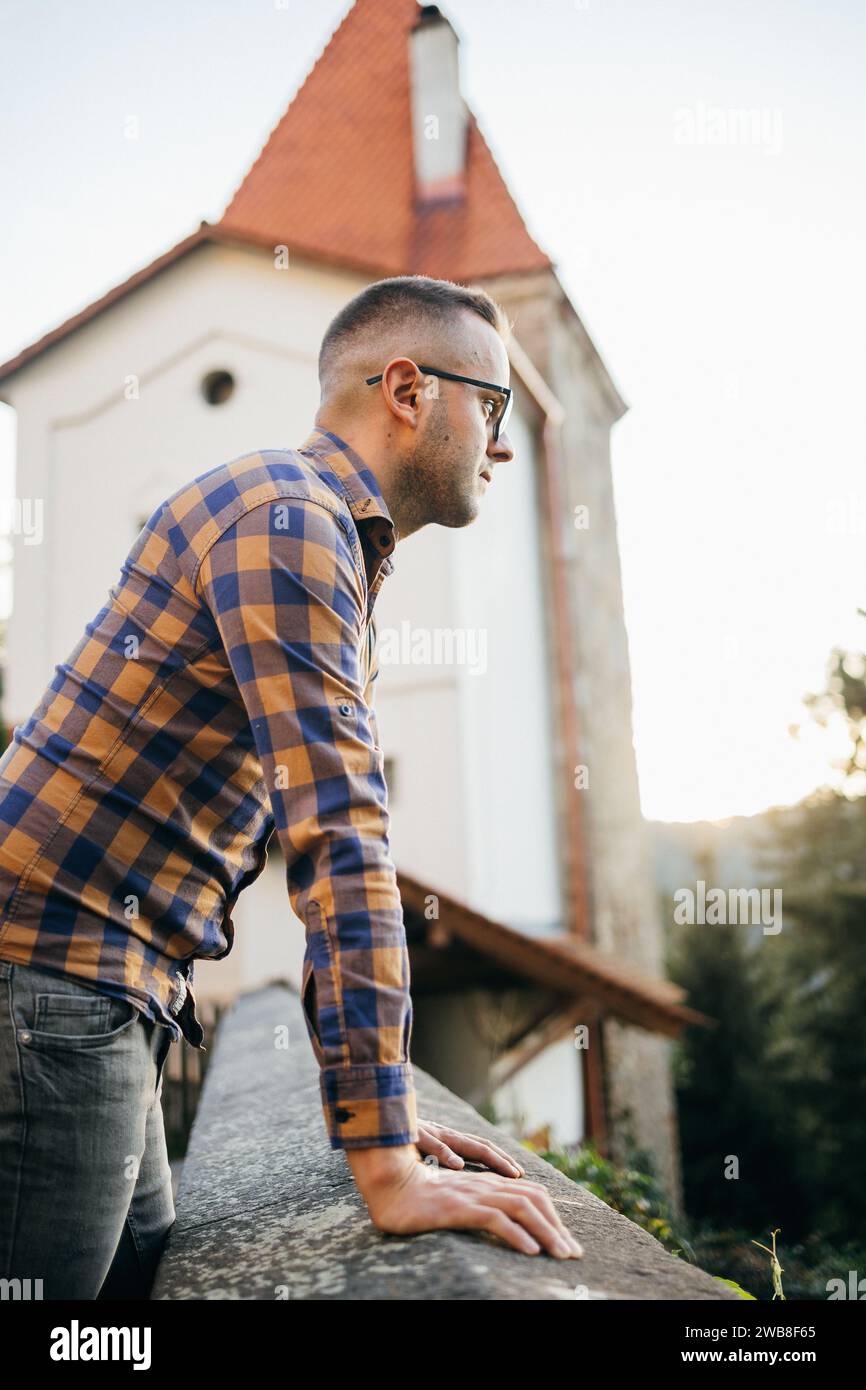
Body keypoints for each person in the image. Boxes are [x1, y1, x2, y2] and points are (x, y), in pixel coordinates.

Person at [0, 275, 582, 1299]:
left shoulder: (310, 526)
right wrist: (383, 1159)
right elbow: (339, 835)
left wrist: (382, 1105)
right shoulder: (288, 522)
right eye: (488, 405)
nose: (497, 443)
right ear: (408, 389)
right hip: (50, 978)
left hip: (101, 978)